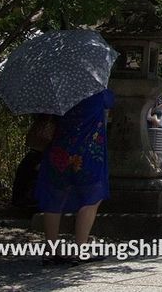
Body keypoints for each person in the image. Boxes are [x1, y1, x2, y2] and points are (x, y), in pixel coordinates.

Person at [36, 88, 113, 265]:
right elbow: (111, 102)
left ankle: (50, 250)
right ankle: (80, 249)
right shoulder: (99, 93)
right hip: (88, 153)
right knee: (91, 199)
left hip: (60, 151)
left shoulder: (57, 92)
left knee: (54, 198)